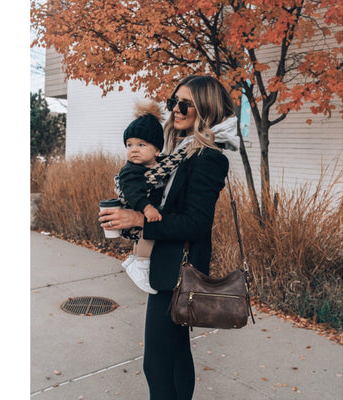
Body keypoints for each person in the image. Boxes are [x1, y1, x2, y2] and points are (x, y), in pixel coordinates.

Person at [99, 75, 239, 399]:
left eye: (184, 104)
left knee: (158, 362)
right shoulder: (182, 152)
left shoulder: (209, 157)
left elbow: (197, 223)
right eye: (173, 101)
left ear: (205, 109)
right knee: (174, 353)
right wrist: (130, 213)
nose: (175, 108)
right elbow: (168, 207)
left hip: (179, 272)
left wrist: (139, 219)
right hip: (169, 267)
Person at [114, 100, 188, 294]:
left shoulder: (158, 165)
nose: (134, 149)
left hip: (149, 211)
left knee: (144, 237)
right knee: (148, 236)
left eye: (141, 144)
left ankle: (133, 261)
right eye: (129, 145)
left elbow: (169, 165)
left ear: (156, 150)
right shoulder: (130, 170)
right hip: (141, 211)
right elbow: (133, 193)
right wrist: (147, 208)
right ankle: (141, 267)